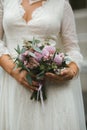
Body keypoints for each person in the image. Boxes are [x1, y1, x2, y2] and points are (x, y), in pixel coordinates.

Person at [0, 0, 86, 130]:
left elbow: (72, 48)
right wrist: (13, 70)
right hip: (13, 86)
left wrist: (72, 70)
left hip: (52, 86)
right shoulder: (5, 1)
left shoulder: (61, 4)